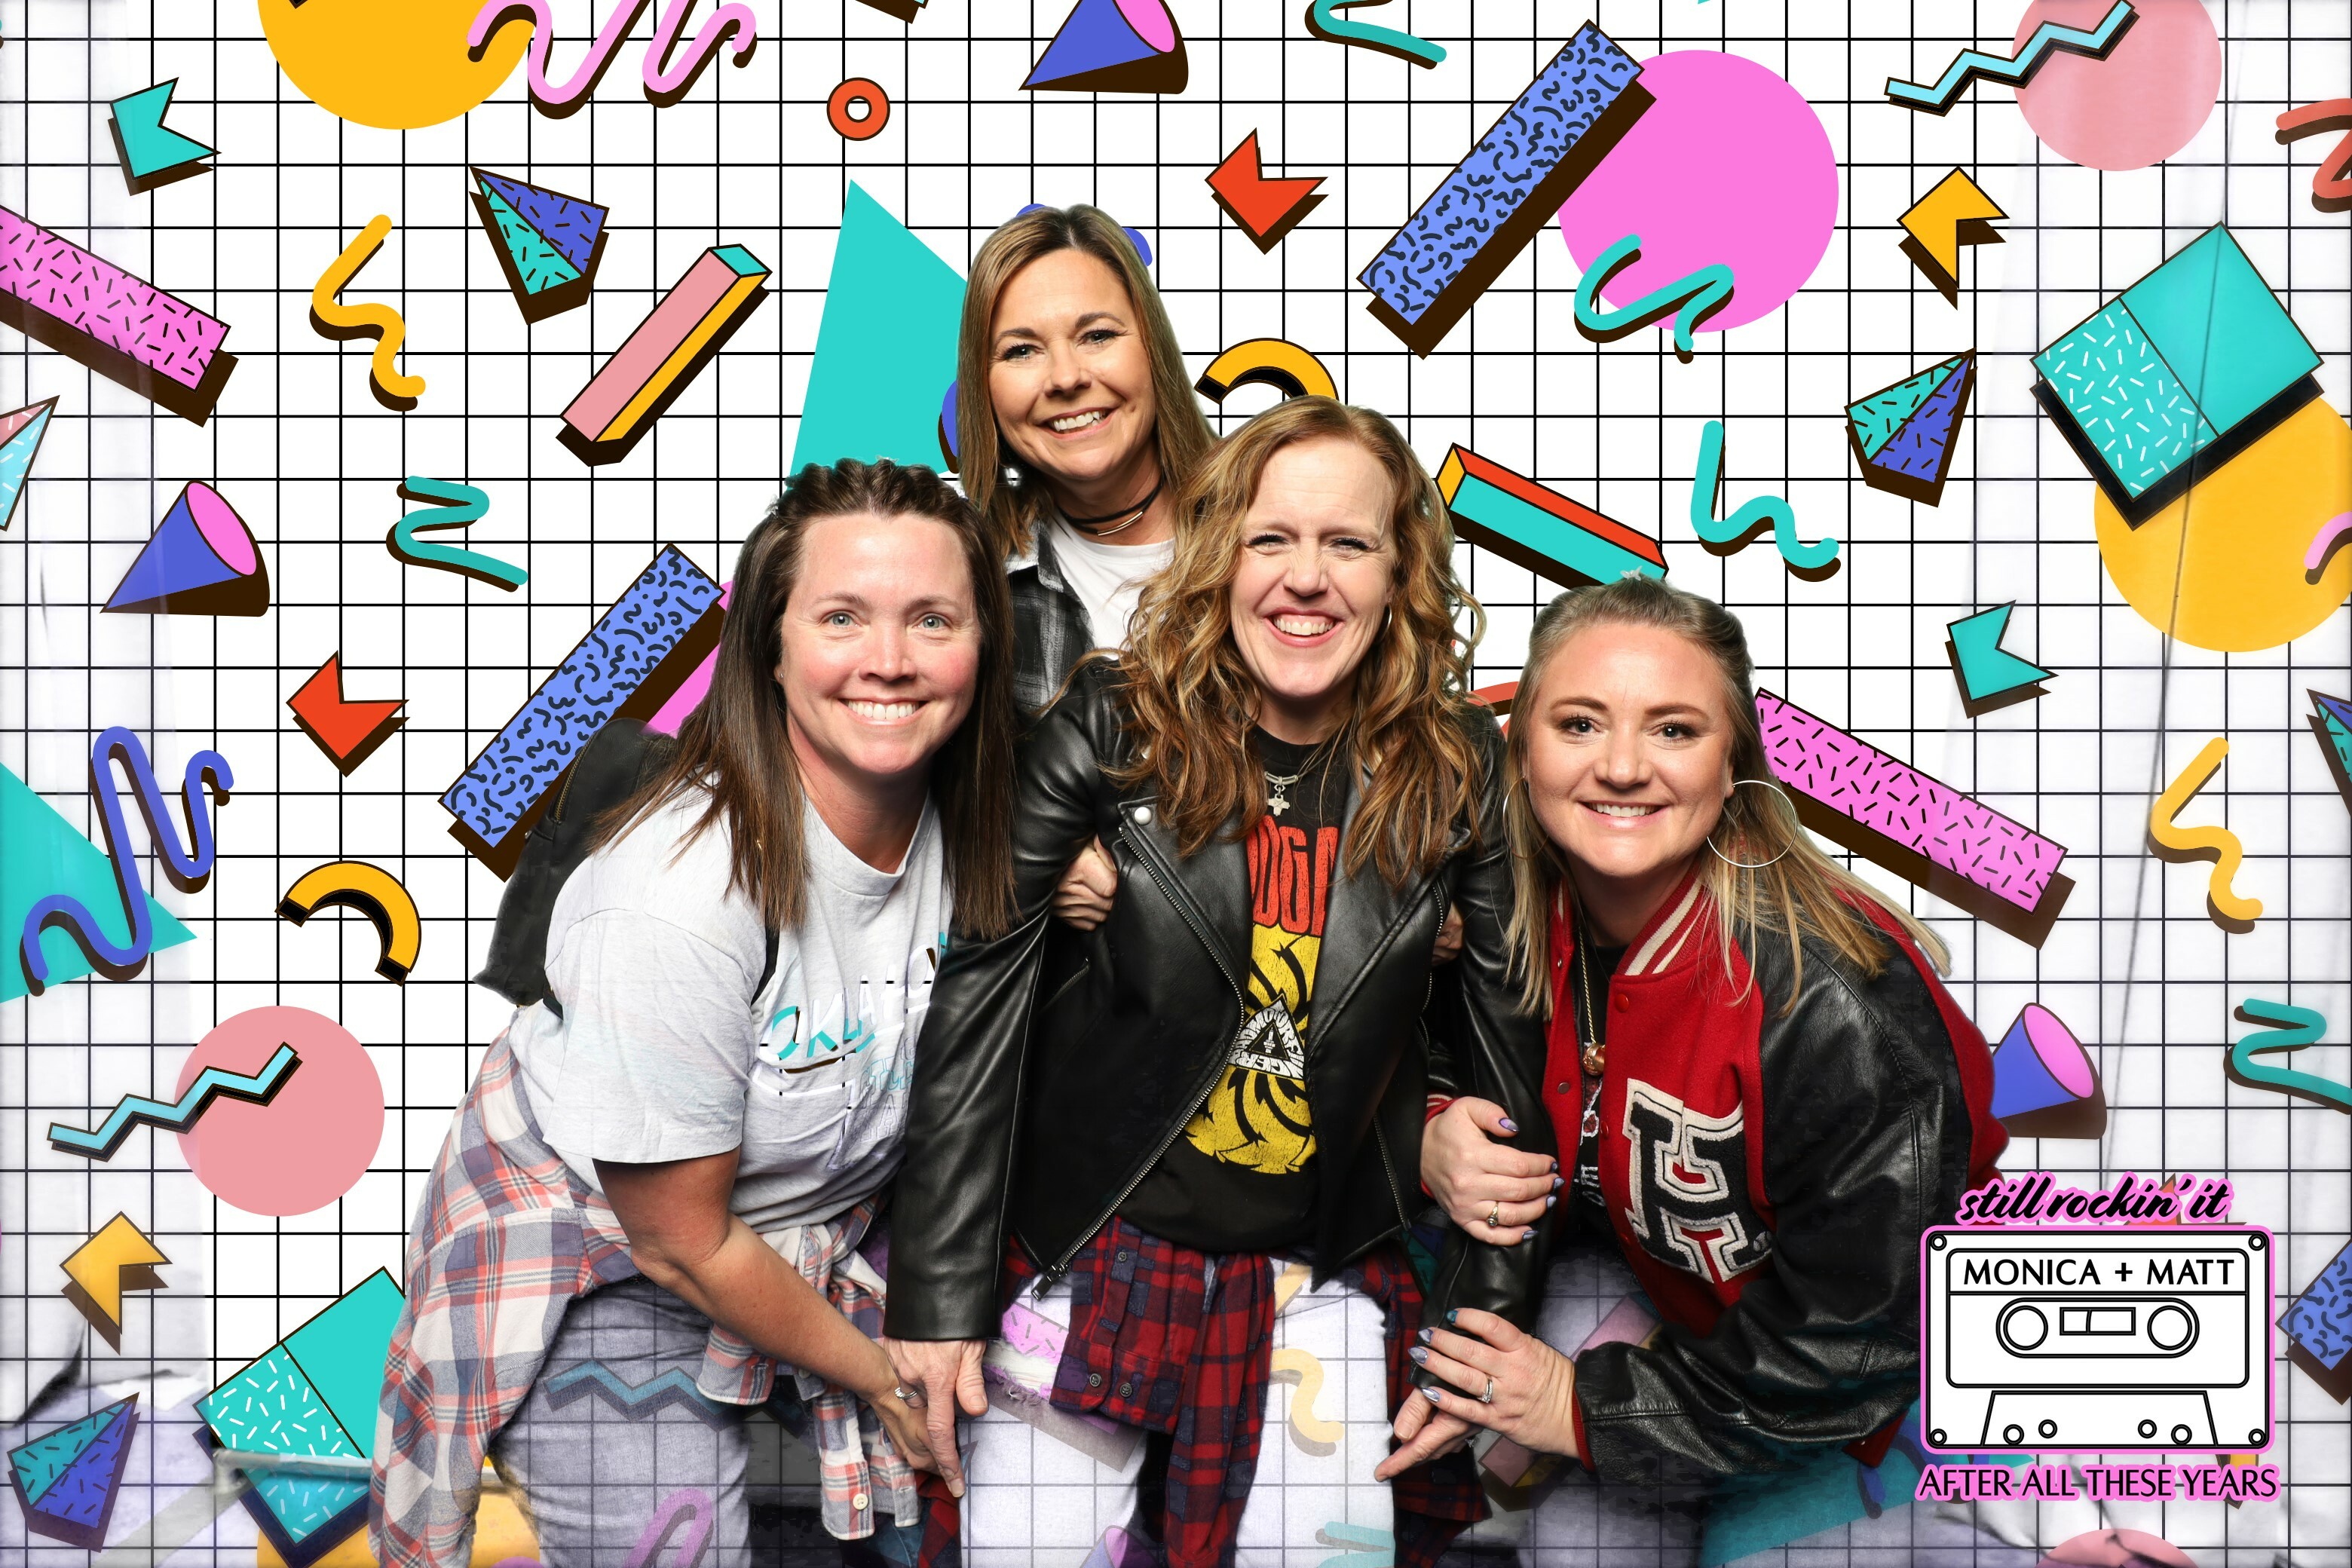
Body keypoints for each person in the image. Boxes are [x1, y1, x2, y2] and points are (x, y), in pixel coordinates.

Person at [880, 397, 1553, 1565]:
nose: (1307, 577)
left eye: (1348, 543)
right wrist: (938, 1300)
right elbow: (979, 1006)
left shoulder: (1461, 768)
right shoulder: (1111, 721)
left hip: (1320, 1270)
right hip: (1095, 1244)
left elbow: (1508, 1070)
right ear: (1219, 558)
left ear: (1401, 572)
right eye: (1270, 538)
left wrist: (1483, 1335)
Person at [371, 461, 1019, 1568]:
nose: (891, 659)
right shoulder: (678, 890)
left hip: (828, 1231)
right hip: (614, 1265)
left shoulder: (984, 832)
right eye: (842, 617)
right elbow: (680, 1240)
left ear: (983, 647)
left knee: (999, 1493)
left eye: (932, 619)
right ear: (770, 648)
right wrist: (881, 1374)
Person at [1379, 576, 2005, 1558]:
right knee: (1575, 1547)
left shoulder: (1841, 1000)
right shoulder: (1505, 921)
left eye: (1673, 730)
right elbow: (1370, 1060)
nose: (1623, 767)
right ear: (1522, 749)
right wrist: (1427, 1131)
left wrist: (1578, 1409)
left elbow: (1861, 1343)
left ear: (1734, 761)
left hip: (1852, 1399)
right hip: (1658, 1315)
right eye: (1579, 724)